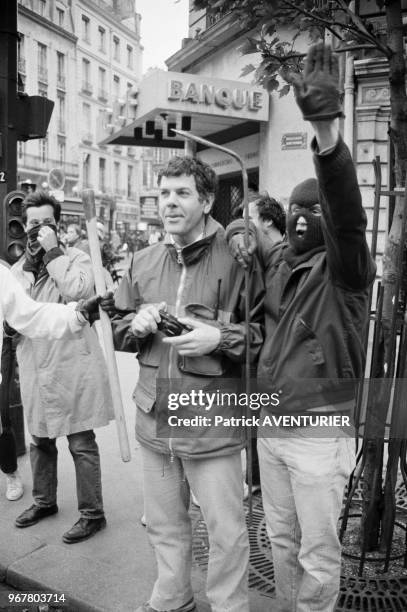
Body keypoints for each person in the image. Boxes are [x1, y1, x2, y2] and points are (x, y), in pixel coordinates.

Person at [227, 44, 376, 612]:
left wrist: (327, 136)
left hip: (318, 434)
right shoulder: (282, 263)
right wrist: (242, 235)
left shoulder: (346, 272)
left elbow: (346, 215)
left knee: (318, 553)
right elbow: (249, 230)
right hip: (273, 430)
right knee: (282, 542)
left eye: (309, 213)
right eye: (293, 212)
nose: (299, 219)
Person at [107, 156, 264, 612]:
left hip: (211, 423)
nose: (170, 203)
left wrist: (222, 336)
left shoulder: (238, 259)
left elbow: (267, 336)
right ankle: (172, 598)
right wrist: (133, 326)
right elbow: (114, 324)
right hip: (154, 420)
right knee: (163, 524)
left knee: (226, 532)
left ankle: (228, 607)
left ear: (207, 200)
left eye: (182, 194)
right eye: (164, 193)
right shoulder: (144, 258)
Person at [12, 191, 113, 544]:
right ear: (22, 228)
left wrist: (55, 253)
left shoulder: (79, 258)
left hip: (73, 367)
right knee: (40, 441)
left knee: (81, 442)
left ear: (58, 226)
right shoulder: (15, 270)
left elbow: (79, 292)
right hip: (36, 368)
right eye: (32, 224)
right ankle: (44, 502)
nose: (38, 231)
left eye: (46, 224)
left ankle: (93, 514)